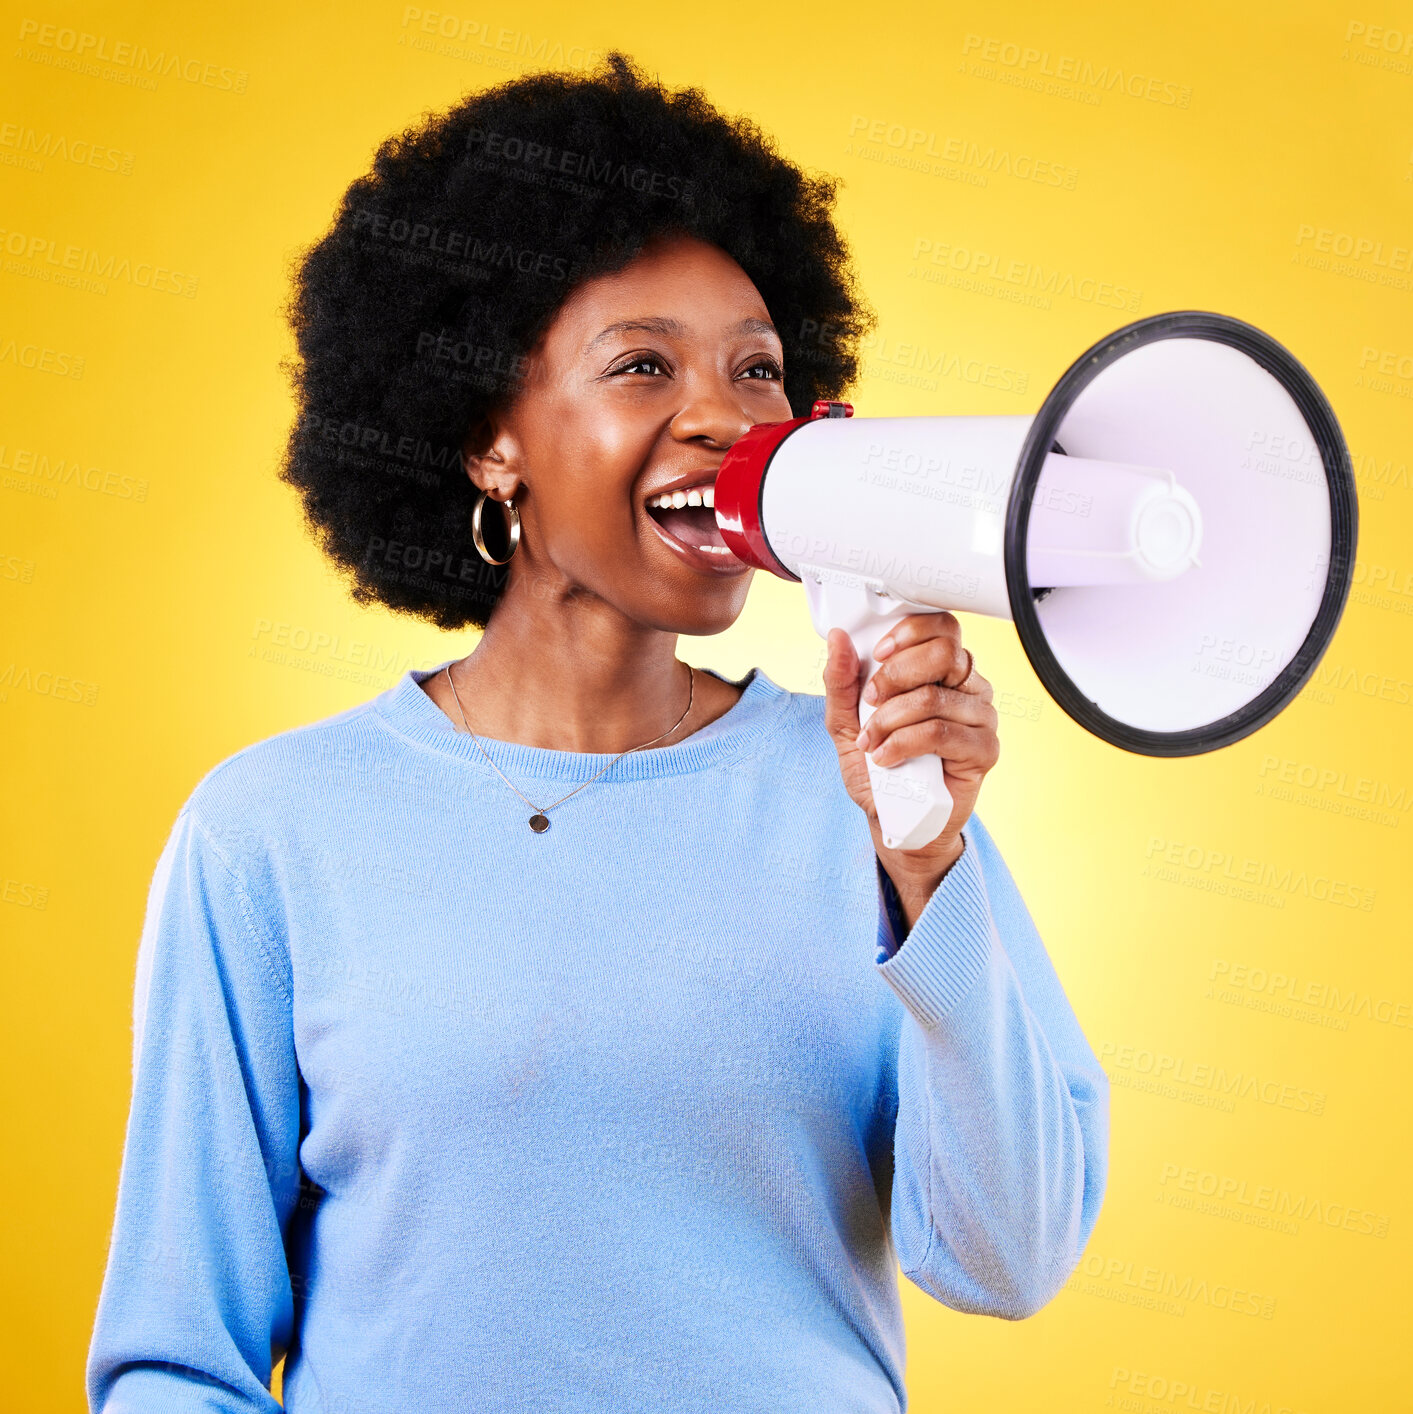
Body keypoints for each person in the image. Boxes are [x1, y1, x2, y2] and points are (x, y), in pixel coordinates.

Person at [86, 51, 1108, 1414]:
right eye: (641, 365)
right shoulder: (271, 830)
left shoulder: (865, 796)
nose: (727, 419)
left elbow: (1006, 1256)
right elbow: (174, 1355)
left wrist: (925, 862)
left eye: (759, 369)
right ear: (484, 440)